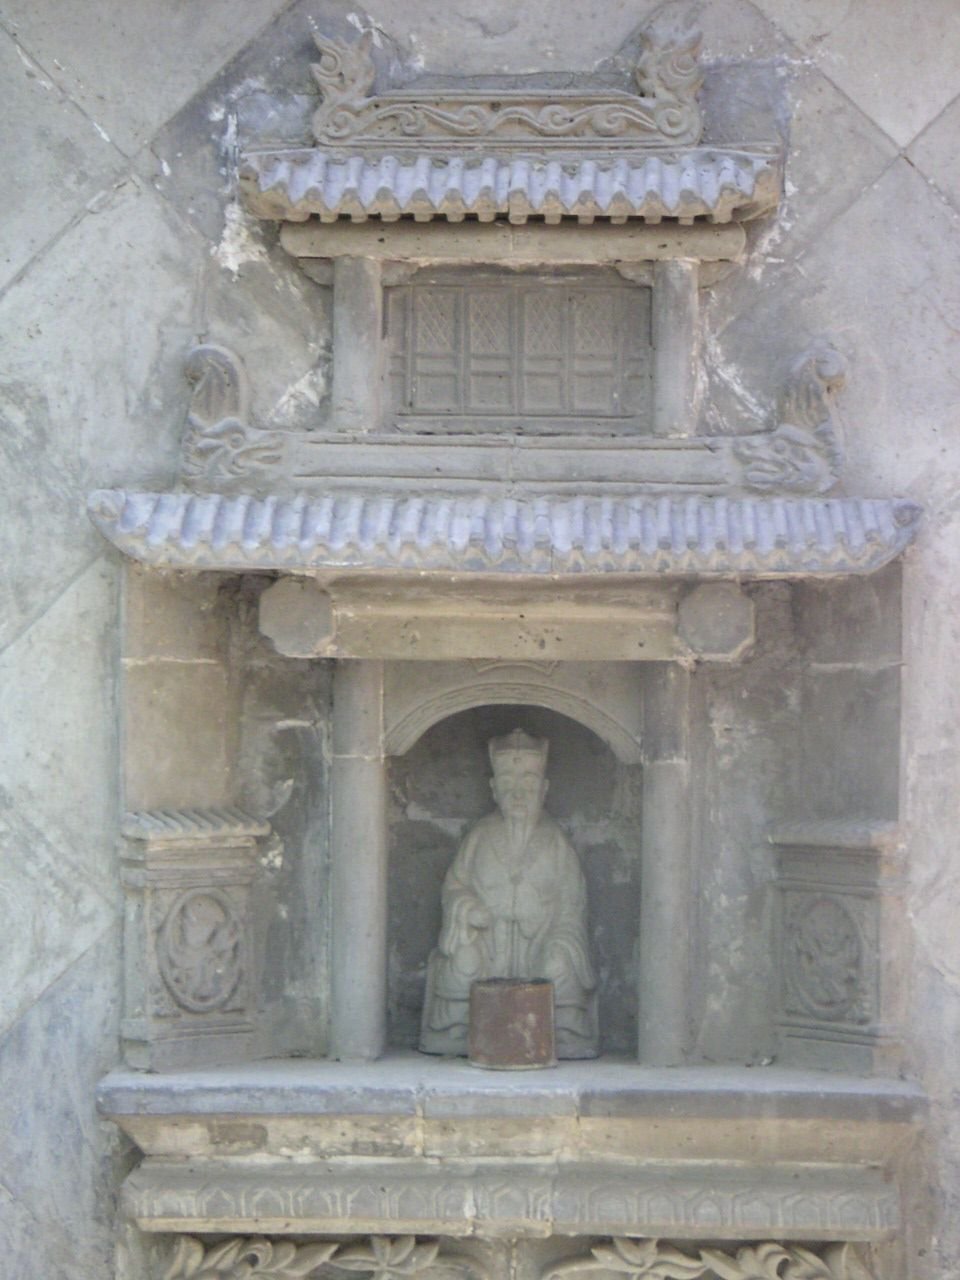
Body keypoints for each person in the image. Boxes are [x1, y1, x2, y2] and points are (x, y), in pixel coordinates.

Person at [420, 729, 599, 1057]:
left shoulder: (556, 842)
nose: (518, 794)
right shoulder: (480, 836)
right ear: (494, 789)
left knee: (559, 964)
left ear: (544, 789)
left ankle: (561, 1031)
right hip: (488, 944)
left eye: (528, 784)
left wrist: (547, 924)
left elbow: (573, 907)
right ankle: (457, 1029)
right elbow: (455, 887)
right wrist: (469, 909)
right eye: (507, 784)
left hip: (540, 943)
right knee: (464, 959)